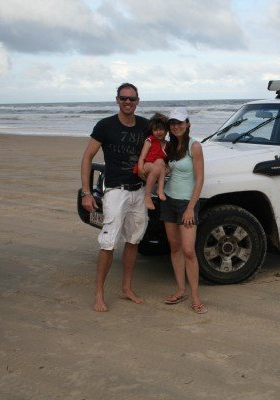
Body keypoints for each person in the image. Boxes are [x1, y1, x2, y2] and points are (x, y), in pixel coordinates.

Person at [80, 83, 150, 312]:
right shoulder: (105, 126)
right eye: (123, 98)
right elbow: (87, 158)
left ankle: (126, 288)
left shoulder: (145, 126)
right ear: (117, 100)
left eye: (131, 99)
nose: (127, 102)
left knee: (133, 241)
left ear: (138, 100)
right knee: (108, 243)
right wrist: (87, 193)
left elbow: (159, 149)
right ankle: (99, 294)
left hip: (138, 191)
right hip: (115, 191)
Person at [160, 107, 207, 314]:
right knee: (175, 247)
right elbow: (170, 170)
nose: (176, 126)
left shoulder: (194, 146)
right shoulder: (170, 147)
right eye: (173, 123)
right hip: (168, 201)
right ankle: (181, 290)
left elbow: (199, 179)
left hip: (187, 204)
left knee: (188, 251)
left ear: (187, 124)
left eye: (180, 122)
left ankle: (196, 297)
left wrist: (190, 208)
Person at [135, 113, 169, 210]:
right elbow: (142, 156)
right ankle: (147, 195)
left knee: (161, 162)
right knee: (156, 168)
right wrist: (140, 168)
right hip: (146, 165)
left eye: (161, 129)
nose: (158, 132)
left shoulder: (167, 144)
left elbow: (166, 162)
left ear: (166, 130)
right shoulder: (150, 140)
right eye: (155, 130)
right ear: (152, 130)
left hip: (157, 167)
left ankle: (159, 190)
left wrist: (168, 169)